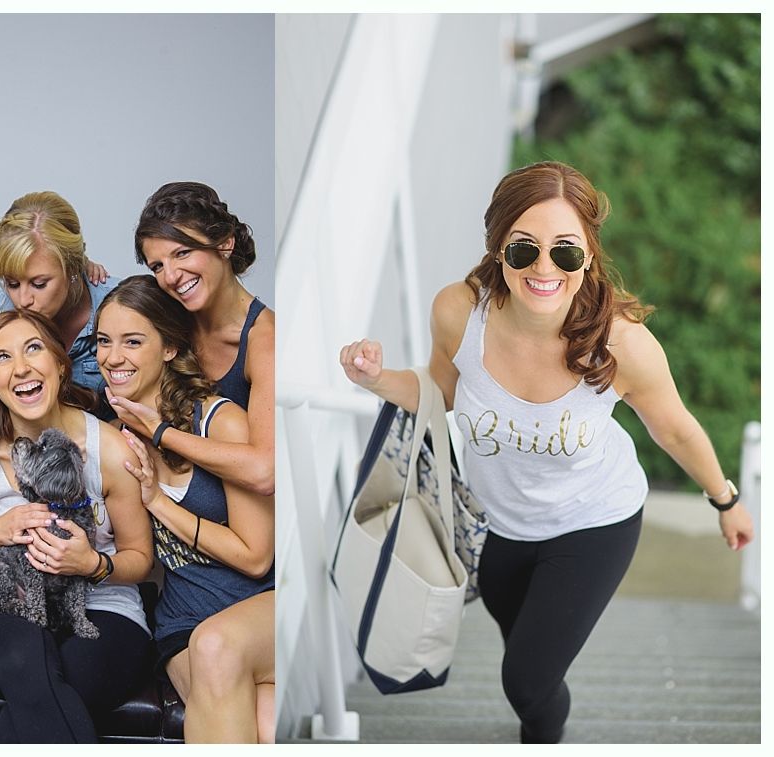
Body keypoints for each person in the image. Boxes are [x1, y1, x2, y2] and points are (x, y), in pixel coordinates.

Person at [339, 161, 754, 744]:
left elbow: (677, 431)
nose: (543, 268)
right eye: (523, 250)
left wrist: (725, 499)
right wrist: (378, 379)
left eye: (564, 252)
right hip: (498, 528)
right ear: (498, 247)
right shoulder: (461, 313)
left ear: (587, 255)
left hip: (594, 523)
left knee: (527, 681)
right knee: (528, 661)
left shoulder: (623, 343)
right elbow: (443, 392)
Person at [0, 308, 154, 744]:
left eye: (33, 348)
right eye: (2, 358)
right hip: (14, 606)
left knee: (55, 689)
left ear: (60, 364)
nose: (20, 367)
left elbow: (141, 559)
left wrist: (92, 563)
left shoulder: (111, 451)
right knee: (25, 665)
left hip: (103, 609)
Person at [95, 276, 275, 743]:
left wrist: (159, 503)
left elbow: (256, 558)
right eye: (103, 342)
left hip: (262, 606)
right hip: (184, 623)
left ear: (171, 347)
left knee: (264, 714)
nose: (113, 358)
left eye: (132, 341)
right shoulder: (112, 437)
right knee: (264, 722)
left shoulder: (221, 421)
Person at [107, 182, 274, 496]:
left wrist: (158, 431)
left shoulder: (266, 341)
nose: (170, 276)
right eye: (158, 265)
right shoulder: (171, 316)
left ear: (225, 244)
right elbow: (118, 308)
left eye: (182, 253)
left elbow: (265, 472)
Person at [0, 190, 116, 395]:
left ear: (72, 267)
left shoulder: (119, 307)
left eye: (39, 284)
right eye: (12, 283)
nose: (23, 301)